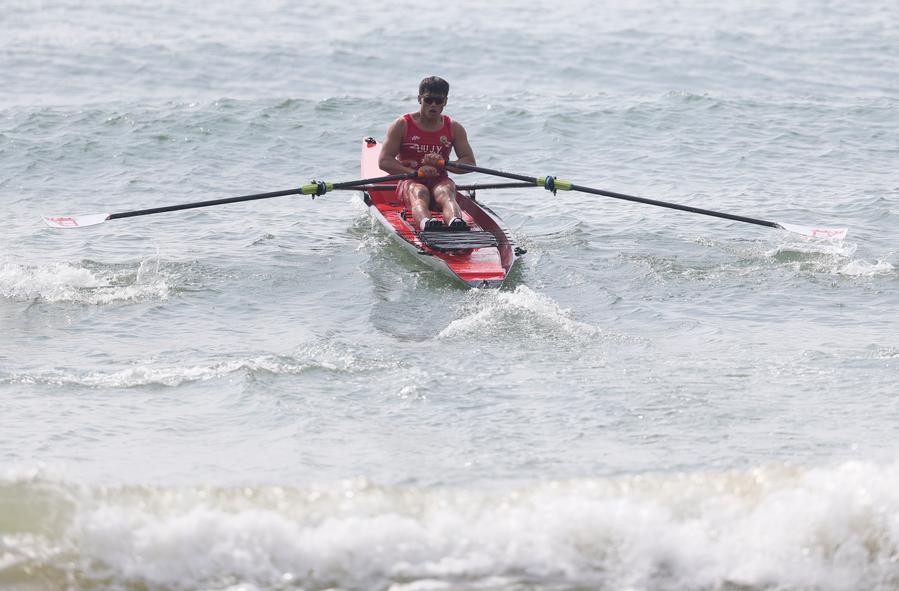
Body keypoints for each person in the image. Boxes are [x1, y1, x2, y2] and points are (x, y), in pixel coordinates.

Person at [378, 76, 476, 232]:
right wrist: (415, 172)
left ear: (445, 102)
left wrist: (445, 164)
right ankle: (426, 223)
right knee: (420, 192)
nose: (433, 105)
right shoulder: (402, 124)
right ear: (419, 99)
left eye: (439, 100)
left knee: (445, 191)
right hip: (410, 180)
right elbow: (384, 161)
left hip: (440, 180)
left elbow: (470, 163)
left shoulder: (454, 128)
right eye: (428, 99)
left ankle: (456, 222)